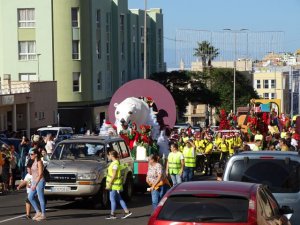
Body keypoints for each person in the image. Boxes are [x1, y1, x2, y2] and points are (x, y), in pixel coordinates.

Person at [105, 150, 132, 220]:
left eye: (109, 154)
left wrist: (110, 183)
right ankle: (127, 211)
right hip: (116, 185)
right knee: (119, 199)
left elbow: (114, 174)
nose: (108, 156)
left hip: (114, 185)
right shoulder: (115, 163)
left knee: (112, 199)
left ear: (112, 156)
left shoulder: (115, 164)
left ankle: (112, 214)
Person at [28, 148, 46, 221]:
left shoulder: (39, 162)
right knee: (30, 197)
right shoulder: (33, 161)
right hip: (34, 181)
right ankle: (38, 212)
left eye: (31, 154)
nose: (30, 155)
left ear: (36, 154)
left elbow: (40, 174)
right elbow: (32, 173)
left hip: (40, 181)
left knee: (40, 198)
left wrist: (35, 184)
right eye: (29, 154)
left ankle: (43, 214)